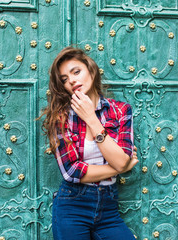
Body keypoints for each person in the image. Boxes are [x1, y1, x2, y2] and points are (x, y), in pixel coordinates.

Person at [40, 47, 139, 240]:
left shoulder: (120, 110)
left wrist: (91, 119)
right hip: (72, 206)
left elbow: (121, 158)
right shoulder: (61, 117)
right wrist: (121, 168)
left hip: (109, 207)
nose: (72, 80)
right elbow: (71, 171)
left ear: (91, 70)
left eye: (76, 72)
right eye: (65, 79)